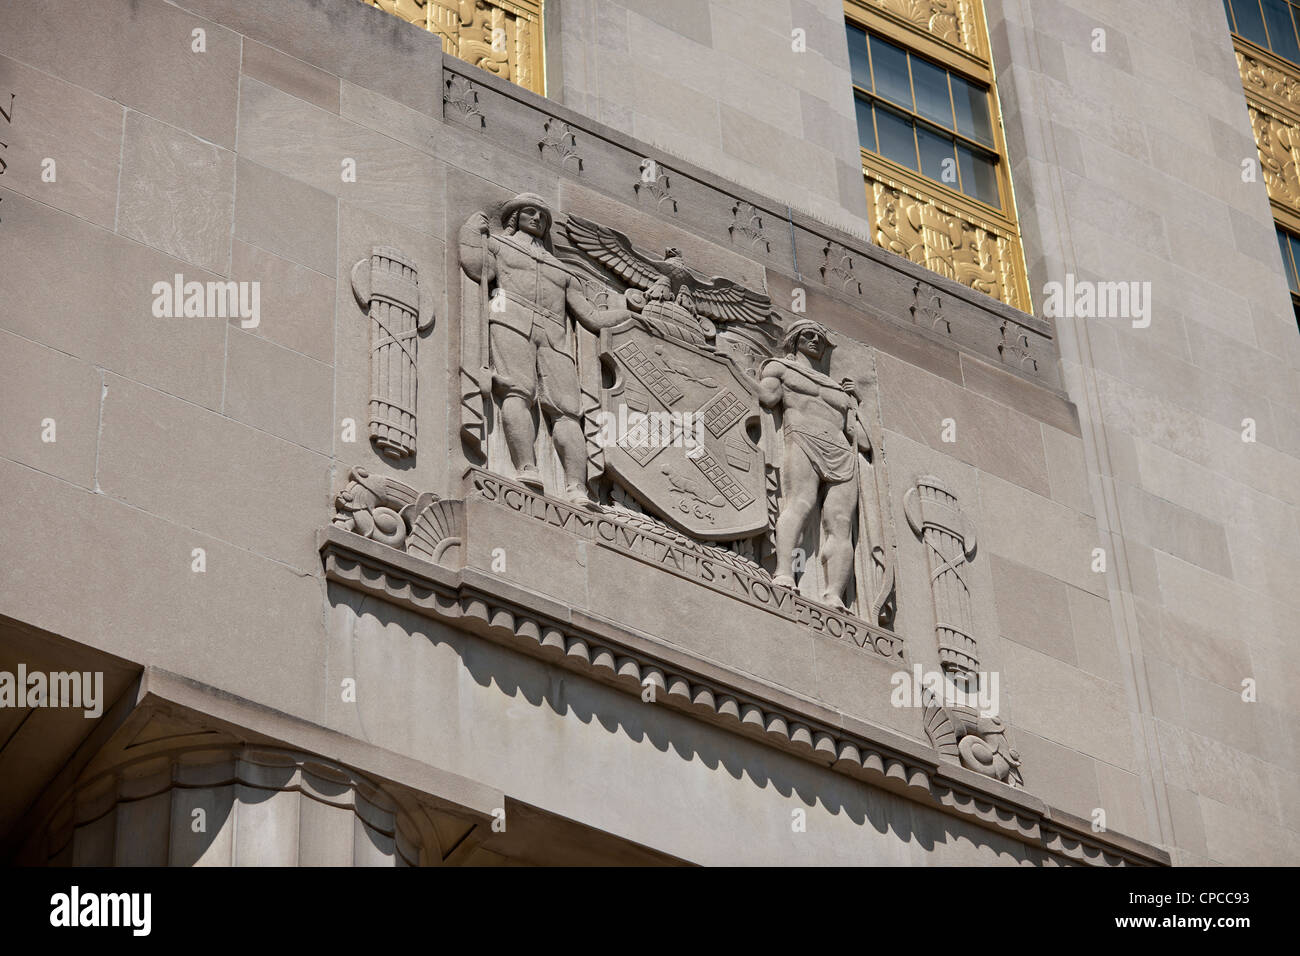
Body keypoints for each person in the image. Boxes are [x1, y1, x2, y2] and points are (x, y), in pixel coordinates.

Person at [459, 193, 631, 504]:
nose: (537, 218)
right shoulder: (500, 245)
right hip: (511, 321)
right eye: (529, 212)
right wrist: (472, 233)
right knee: (517, 392)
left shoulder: (563, 272)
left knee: (567, 411)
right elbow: (477, 269)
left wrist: (629, 310)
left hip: (554, 337)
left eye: (542, 214)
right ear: (515, 217)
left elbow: (591, 317)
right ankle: (527, 468)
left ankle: (577, 488)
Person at [757, 319, 871, 609]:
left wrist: (854, 403)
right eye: (809, 334)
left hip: (840, 453)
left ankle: (834, 595)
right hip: (802, 439)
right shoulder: (781, 368)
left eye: (821, 337)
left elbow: (862, 441)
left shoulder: (838, 389)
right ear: (795, 339)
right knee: (800, 504)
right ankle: (784, 573)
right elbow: (767, 398)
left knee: (840, 524)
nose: (815, 340)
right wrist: (767, 374)